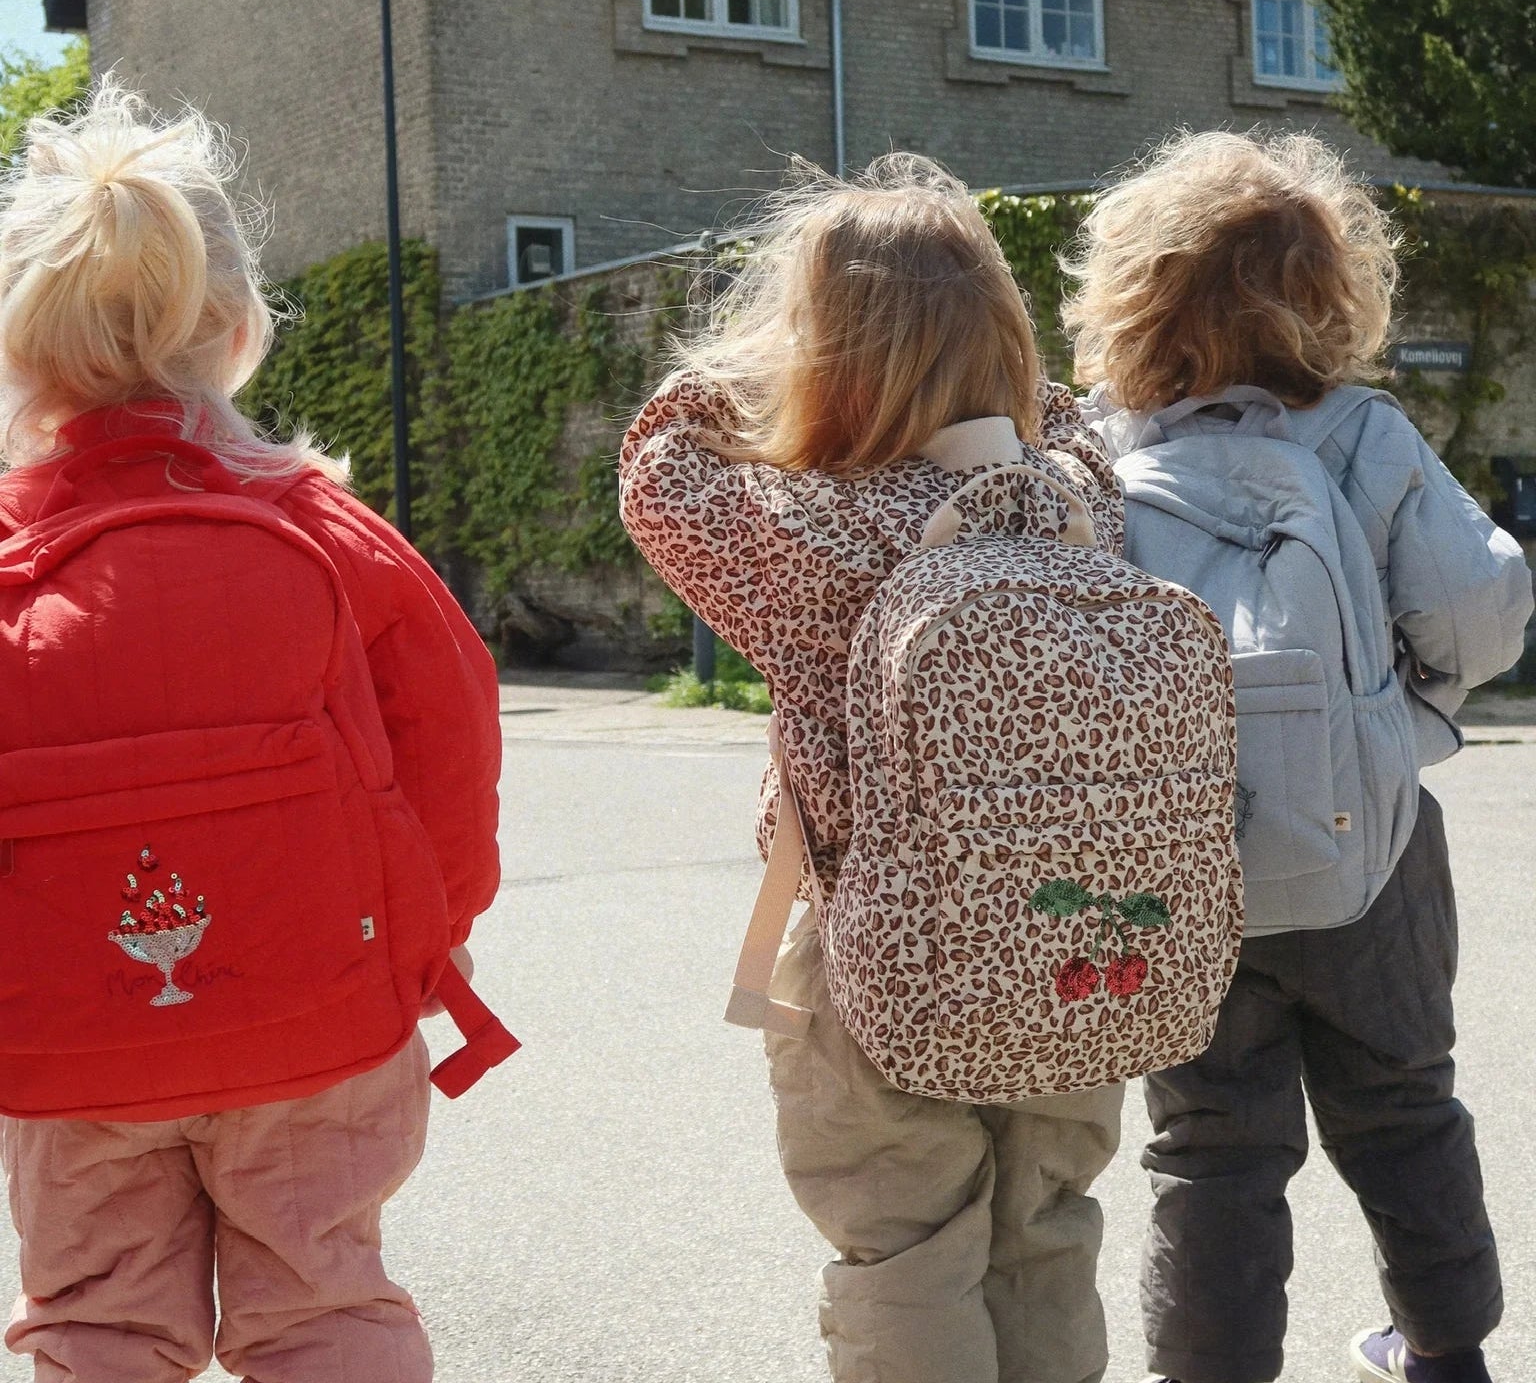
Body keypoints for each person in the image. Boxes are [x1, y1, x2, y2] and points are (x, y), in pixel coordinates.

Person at [0, 84, 503, 1381]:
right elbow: (454, 749)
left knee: (98, 1323)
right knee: (325, 1306)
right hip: (321, 1021)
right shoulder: (328, 537)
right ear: (236, 331)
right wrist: (417, 945)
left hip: (70, 1048)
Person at [620, 153, 1128, 1383]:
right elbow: (1059, 416)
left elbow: (659, 457)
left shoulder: (809, 534)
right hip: (1077, 934)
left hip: (878, 934)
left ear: (822, 352)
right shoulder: (1077, 505)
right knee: (1044, 1228)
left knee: (906, 1237)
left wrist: (780, 359)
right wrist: (1000, 372)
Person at [1066, 130, 1532, 1383]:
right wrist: (1404, 703)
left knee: (1211, 1146)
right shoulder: (1364, 440)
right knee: (1404, 1109)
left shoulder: (1101, 458)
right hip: (1367, 855)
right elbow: (1481, 614)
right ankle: (1444, 1353)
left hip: (1179, 870)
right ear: (1333, 297)